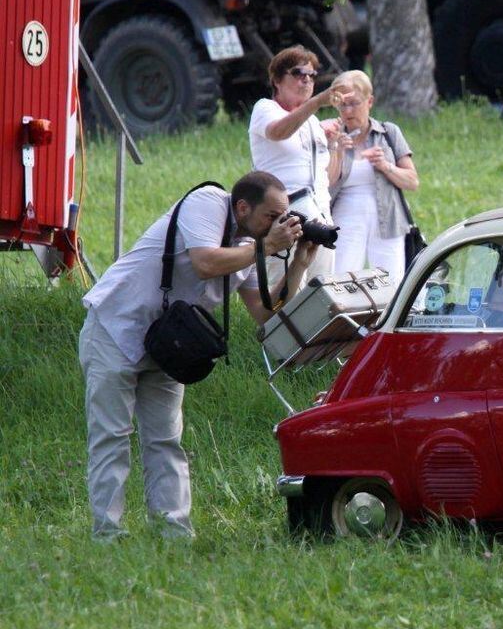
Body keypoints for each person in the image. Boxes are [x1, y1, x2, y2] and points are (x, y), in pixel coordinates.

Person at [79, 171, 316, 540]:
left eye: (282, 216)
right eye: (271, 216)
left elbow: (265, 314)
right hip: (116, 327)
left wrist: (300, 260)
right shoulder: (207, 202)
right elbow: (205, 262)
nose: (278, 224)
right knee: (112, 436)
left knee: (165, 439)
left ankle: (174, 533)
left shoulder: (248, 244)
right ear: (242, 207)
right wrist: (266, 247)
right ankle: (108, 535)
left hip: (168, 343)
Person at [249, 45, 341, 285]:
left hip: (320, 211)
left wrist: (335, 147)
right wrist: (318, 102)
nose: (307, 80)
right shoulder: (265, 108)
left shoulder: (312, 122)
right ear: (278, 80)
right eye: (299, 73)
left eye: (312, 76)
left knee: (322, 289)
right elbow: (278, 132)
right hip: (285, 213)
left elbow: (326, 180)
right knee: (285, 292)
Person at [327, 70, 419, 286]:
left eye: (355, 103)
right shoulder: (331, 134)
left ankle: (387, 319)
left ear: (369, 102)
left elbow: (412, 181)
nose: (348, 111)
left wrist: (385, 166)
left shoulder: (388, 132)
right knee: (343, 278)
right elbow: (327, 184)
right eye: (342, 105)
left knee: (391, 281)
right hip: (345, 216)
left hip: (387, 217)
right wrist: (336, 151)